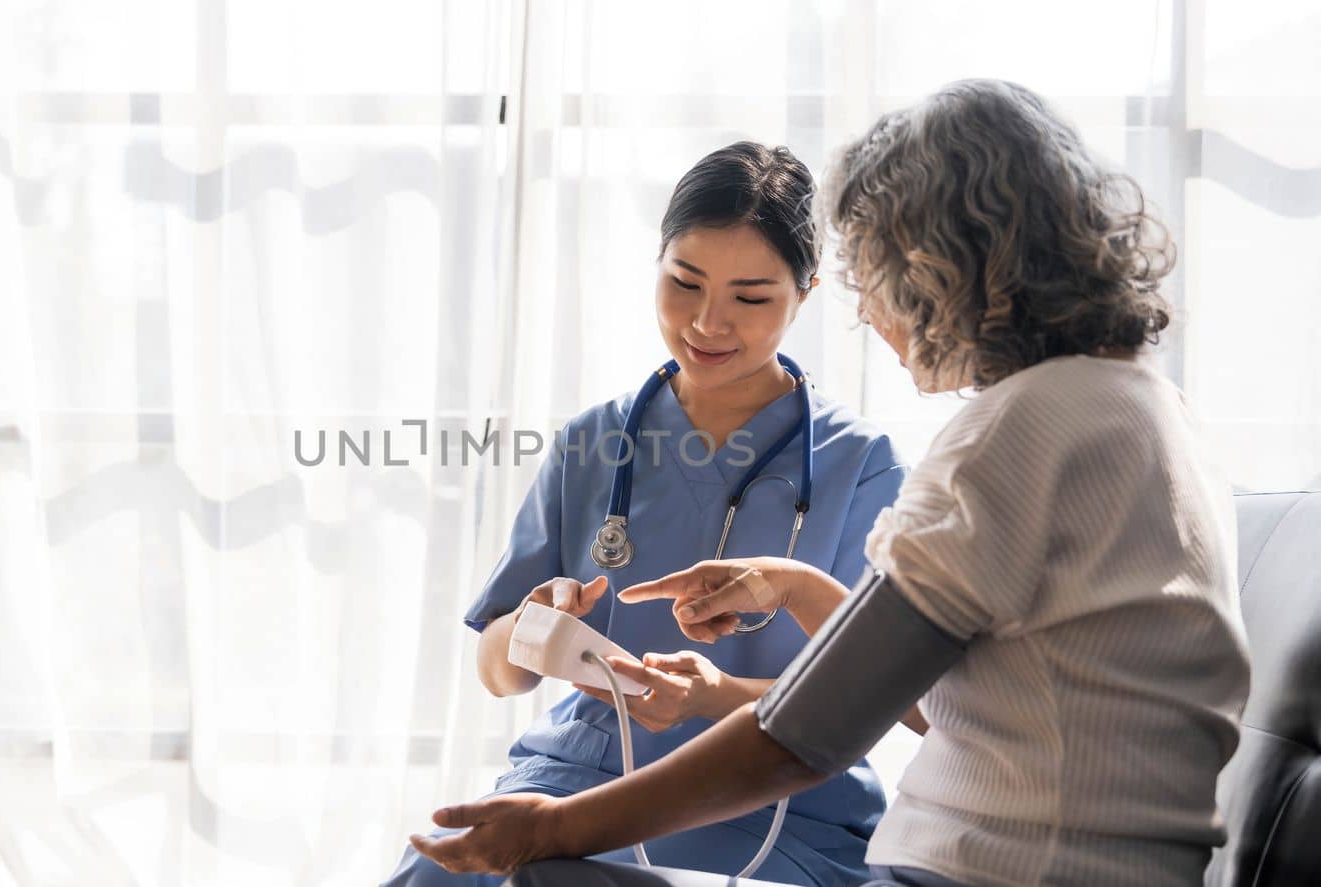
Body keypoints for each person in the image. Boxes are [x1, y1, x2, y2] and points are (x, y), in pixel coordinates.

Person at [408, 79, 1251, 887]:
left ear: (941, 268)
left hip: (978, 863)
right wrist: (798, 584)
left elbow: (813, 728)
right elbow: (931, 681)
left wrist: (553, 828)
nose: (873, 318)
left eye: (874, 278)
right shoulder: (1137, 405)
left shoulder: (1016, 434)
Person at [382, 142, 908, 885]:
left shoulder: (862, 464)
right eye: (684, 282)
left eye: (751, 297)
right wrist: (532, 630)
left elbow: (876, 693)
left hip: (772, 800)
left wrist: (713, 697)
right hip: (580, 776)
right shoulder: (594, 440)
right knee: (439, 874)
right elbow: (499, 671)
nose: (708, 322)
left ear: (806, 292)